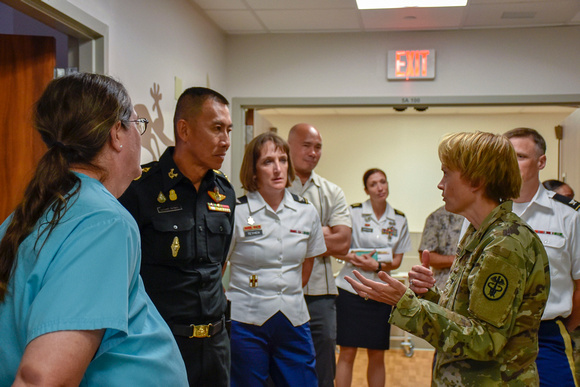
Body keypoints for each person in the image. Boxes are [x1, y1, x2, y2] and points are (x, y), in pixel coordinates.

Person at [0, 73, 188, 386]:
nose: (139, 136)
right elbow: (44, 377)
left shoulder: (27, 214)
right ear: (117, 133)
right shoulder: (103, 223)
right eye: (136, 123)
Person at [346, 131, 550, 386]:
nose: (440, 184)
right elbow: (465, 315)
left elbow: (484, 340)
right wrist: (430, 295)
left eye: (446, 173)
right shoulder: (480, 232)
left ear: (475, 180)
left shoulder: (504, 245)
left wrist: (406, 303)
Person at [119, 87, 234, 386]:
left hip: (216, 345)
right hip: (162, 345)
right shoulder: (140, 189)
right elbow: (122, 271)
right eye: (217, 129)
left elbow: (218, 266)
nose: (226, 141)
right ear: (184, 129)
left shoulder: (224, 192)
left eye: (229, 130)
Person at [227, 132, 326, 386]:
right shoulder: (236, 212)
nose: (277, 168)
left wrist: (285, 293)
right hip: (246, 321)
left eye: (282, 160)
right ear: (253, 170)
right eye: (268, 162)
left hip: (293, 318)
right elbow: (219, 266)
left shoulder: (306, 212)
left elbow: (308, 263)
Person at [505, 128, 580, 387]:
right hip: (494, 335)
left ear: (542, 162)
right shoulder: (485, 209)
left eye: (520, 157)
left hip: (546, 337)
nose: (511, 164)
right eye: (506, 156)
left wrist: (567, 325)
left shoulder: (568, 215)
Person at [287, 123, 352, 387]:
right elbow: (267, 237)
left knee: (323, 367)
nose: (313, 152)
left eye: (318, 147)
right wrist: (322, 231)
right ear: (289, 146)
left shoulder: (332, 192)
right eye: (307, 146)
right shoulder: (271, 186)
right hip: (280, 292)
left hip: (321, 296)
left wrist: (291, 233)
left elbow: (343, 242)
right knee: (282, 364)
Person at [334, 168, 411, 387]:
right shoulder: (353, 212)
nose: (380, 187)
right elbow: (340, 248)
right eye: (374, 184)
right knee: (347, 352)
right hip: (351, 290)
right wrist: (356, 258)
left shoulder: (399, 219)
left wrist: (375, 265)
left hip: (380, 293)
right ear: (366, 189)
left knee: (377, 354)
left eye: (383, 182)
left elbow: (396, 261)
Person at [418, 206, 464, 290]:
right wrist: (458, 260)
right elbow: (426, 255)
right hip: (445, 286)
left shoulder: (484, 214)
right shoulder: (438, 216)